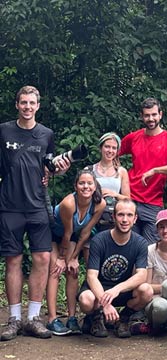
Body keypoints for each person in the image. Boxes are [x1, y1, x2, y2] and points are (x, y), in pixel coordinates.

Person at [0, 86, 70, 341]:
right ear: (16, 104)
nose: (28, 107)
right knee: (13, 261)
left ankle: (33, 317)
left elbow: (49, 167)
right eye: (23, 102)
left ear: (38, 106)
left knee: (42, 258)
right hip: (10, 206)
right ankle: (14, 319)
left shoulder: (46, 134)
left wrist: (58, 169)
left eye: (32, 103)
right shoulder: (4, 130)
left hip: (38, 205)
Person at [78, 198, 153, 338]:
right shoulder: (99, 240)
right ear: (113, 217)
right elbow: (91, 276)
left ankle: (123, 318)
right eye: (121, 215)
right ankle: (96, 317)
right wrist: (105, 303)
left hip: (121, 291)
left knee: (146, 291)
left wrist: (117, 289)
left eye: (129, 215)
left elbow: (142, 275)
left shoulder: (140, 242)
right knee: (85, 299)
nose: (125, 220)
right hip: (98, 290)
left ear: (135, 218)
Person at [119, 98, 167, 244]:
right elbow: (112, 153)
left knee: (151, 249)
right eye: (147, 115)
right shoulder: (134, 137)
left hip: (153, 202)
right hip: (131, 199)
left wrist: (156, 170)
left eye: (154, 114)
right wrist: (119, 172)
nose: (151, 119)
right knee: (129, 246)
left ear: (160, 114)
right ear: (142, 116)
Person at [46, 169, 106, 335]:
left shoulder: (99, 204)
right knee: (55, 271)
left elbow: (85, 233)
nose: (85, 186)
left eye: (89, 183)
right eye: (81, 183)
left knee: (72, 270)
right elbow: (66, 233)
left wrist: (73, 258)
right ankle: (52, 319)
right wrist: (60, 258)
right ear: (75, 186)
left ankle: (72, 318)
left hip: (72, 235)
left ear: (95, 186)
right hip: (52, 233)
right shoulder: (69, 203)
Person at [86, 132, 130, 232]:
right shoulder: (89, 170)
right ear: (101, 148)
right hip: (92, 216)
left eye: (114, 148)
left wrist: (114, 194)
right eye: (107, 147)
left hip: (112, 219)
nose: (110, 151)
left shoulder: (121, 171)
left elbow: (128, 199)